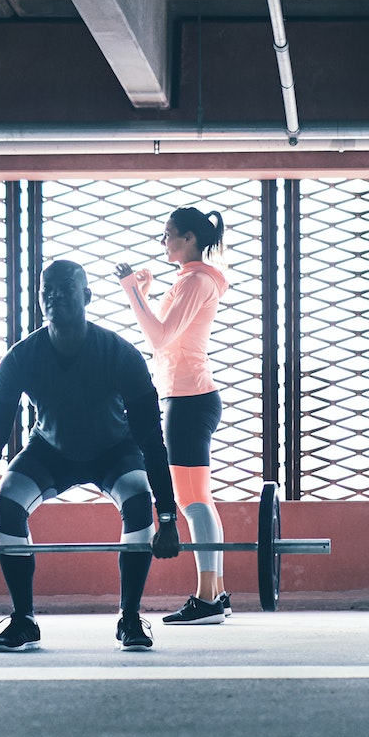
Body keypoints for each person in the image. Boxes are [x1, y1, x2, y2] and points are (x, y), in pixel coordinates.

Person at [0, 260, 181, 652]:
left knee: (136, 498)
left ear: (87, 296)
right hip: (50, 452)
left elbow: (151, 439)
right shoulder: (20, 358)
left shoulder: (121, 354)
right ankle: (23, 619)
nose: (55, 296)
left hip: (114, 451)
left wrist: (166, 518)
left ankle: (129, 619)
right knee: (8, 502)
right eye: (47, 290)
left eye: (65, 288)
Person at [116, 206, 232, 625]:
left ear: (188, 240)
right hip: (188, 396)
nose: (163, 242)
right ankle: (215, 593)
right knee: (199, 499)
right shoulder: (193, 279)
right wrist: (143, 295)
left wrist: (131, 290)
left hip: (187, 400)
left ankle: (206, 600)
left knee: (191, 501)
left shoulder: (196, 280)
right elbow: (163, 337)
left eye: (168, 235)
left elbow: (160, 338)